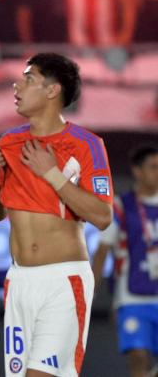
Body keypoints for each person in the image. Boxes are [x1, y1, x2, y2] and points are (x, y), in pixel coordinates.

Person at [0, 52, 113, 377]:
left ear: (53, 91)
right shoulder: (9, 142)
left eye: (28, 79)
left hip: (63, 280)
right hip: (19, 282)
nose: (17, 85)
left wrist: (52, 174)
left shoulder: (87, 144)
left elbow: (102, 215)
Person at [91, 145, 158, 377]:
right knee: (138, 355)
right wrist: (90, 292)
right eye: (153, 167)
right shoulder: (121, 207)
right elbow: (101, 251)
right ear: (137, 171)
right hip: (131, 298)